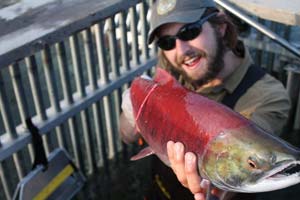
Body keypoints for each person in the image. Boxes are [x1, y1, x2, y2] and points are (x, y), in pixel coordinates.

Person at [119, 0, 291, 199]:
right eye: (166, 42)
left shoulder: (266, 95)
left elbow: (251, 154)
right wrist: (133, 113)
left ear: (220, 27)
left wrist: (216, 191)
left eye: (190, 32)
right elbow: (126, 136)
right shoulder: (172, 66)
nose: (181, 50)